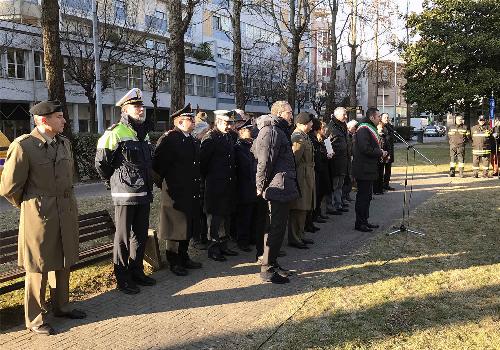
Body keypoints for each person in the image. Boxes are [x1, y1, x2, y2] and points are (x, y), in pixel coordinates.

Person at [0, 100, 86, 335]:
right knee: (37, 267)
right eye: (59, 117)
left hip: (65, 212)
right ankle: (35, 319)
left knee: (64, 259)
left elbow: (69, 178)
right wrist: (31, 206)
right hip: (39, 216)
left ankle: (62, 306)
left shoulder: (64, 144)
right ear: (43, 120)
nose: (64, 120)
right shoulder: (24, 146)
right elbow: (8, 188)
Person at [95, 88, 156, 295]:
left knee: (139, 235)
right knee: (122, 238)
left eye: (141, 106)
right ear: (124, 109)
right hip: (125, 194)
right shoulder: (114, 132)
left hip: (144, 193)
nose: (140, 110)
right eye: (135, 106)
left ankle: (137, 271)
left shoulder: (144, 134)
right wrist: (112, 182)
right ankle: (123, 278)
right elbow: (101, 163)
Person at [152, 104, 203, 276]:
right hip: (174, 192)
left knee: (187, 225)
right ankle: (173, 260)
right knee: (175, 227)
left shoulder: (191, 138)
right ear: (179, 121)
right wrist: (166, 185)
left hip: (190, 190)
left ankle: (184, 255)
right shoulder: (169, 139)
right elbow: (157, 167)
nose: (194, 121)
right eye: (190, 119)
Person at [252, 101, 299, 284]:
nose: (291, 115)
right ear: (279, 113)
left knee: (276, 228)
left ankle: (272, 263)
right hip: (276, 187)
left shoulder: (279, 129)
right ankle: (267, 269)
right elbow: (265, 161)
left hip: (282, 185)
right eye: (289, 112)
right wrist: (260, 185)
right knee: (274, 228)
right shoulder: (271, 130)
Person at [200, 110, 239, 261]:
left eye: (230, 123)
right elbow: (203, 163)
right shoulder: (210, 138)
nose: (229, 126)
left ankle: (224, 245)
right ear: (218, 122)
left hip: (227, 184)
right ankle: (213, 248)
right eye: (227, 123)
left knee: (226, 216)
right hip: (215, 185)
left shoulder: (228, 137)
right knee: (214, 219)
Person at [352, 108, 388, 232]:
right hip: (363, 168)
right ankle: (359, 222)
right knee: (362, 197)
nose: (379, 119)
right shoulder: (363, 129)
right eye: (378, 116)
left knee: (367, 197)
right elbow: (365, 148)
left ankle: (365, 220)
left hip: (369, 168)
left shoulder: (369, 128)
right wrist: (380, 152)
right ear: (372, 117)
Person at [288, 112, 315, 249]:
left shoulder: (305, 136)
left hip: (307, 175)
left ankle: (300, 234)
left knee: (304, 207)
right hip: (301, 176)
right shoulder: (297, 137)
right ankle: (294, 237)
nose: (311, 124)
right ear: (303, 123)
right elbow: (294, 159)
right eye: (309, 122)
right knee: (298, 207)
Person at [234, 119, 257, 252]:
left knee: (252, 213)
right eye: (249, 129)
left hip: (252, 185)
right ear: (241, 132)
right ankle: (242, 240)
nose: (252, 131)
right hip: (244, 186)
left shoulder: (250, 145)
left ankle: (251, 237)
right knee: (244, 215)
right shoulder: (238, 148)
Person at [326, 107, 349, 214]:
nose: (346, 116)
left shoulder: (342, 126)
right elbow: (327, 143)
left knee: (340, 184)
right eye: (344, 114)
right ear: (337, 115)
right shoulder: (331, 127)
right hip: (335, 161)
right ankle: (332, 206)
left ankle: (338, 203)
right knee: (334, 185)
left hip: (343, 160)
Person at [310, 119, 332, 222]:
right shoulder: (315, 140)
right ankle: (315, 214)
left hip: (324, 168)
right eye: (323, 128)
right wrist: (325, 155)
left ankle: (318, 212)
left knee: (322, 191)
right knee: (318, 193)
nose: (324, 130)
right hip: (319, 168)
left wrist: (329, 154)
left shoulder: (324, 139)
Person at [342, 119, 358, 202]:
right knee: (348, 176)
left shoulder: (353, 135)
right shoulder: (347, 135)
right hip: (348, 158)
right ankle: (345, 195)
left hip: (352, 157)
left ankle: (347, 194)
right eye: (354, 128)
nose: (355, 130)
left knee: (350, 176)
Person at [373, 122, 390, 195]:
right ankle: (376, 189)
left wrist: (387, 154)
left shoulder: (384, 136)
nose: (381, 129)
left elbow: (387, 146)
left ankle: (380, 188)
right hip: (377, 157)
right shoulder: (375, 136)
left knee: (381, 174)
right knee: (377, 174)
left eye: (382, 127)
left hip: (383, 157)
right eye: (380, 127)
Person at [380, 113, 395, 189]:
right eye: (385, 117)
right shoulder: (379, 126)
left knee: (388, 169)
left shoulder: (390, 127)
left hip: (390, 150)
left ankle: (386, 184)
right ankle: (380, 185)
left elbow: (391, 139)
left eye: (388, 117)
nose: (387, 119)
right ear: (381, 118)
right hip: (382, 151)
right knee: (381, 169)